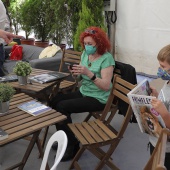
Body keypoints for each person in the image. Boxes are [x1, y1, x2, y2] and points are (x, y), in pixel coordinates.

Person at [50, 26, 115, 161]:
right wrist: (75, 74)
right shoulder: (85, 54)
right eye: (85, 43)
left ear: (99, 43)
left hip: (99, 97)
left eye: (90, 44)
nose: (87, 46)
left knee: (62, 107)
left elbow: (106, 86)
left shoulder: (106, 59)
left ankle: (72, 145)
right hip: (84, 91)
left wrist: (89, 74)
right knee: (54, 100)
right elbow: (79, 79)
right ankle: (65, 137)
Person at [150, 44, 170, 169]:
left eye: (163, 66)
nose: (159, 69)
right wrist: (156, 97)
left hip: (167, 150)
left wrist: (164, 113)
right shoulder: (167, 83)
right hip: (157, 141)